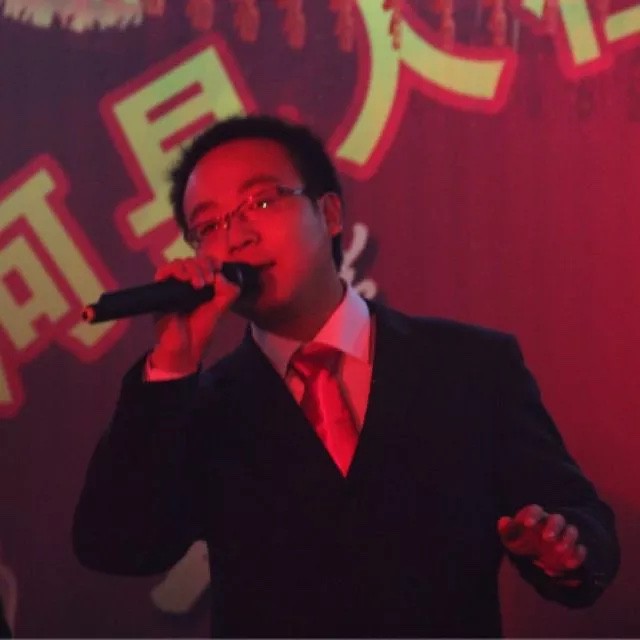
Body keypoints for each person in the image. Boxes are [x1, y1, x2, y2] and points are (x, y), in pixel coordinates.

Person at [73, 114, 620, 638]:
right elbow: (116, 544)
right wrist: (173, 362)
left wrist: (563, 545)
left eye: (260, 202)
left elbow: (579, 515)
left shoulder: (470, 366)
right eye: (209, 225)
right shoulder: (202, 405)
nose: (236, 237)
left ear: (329, 213)